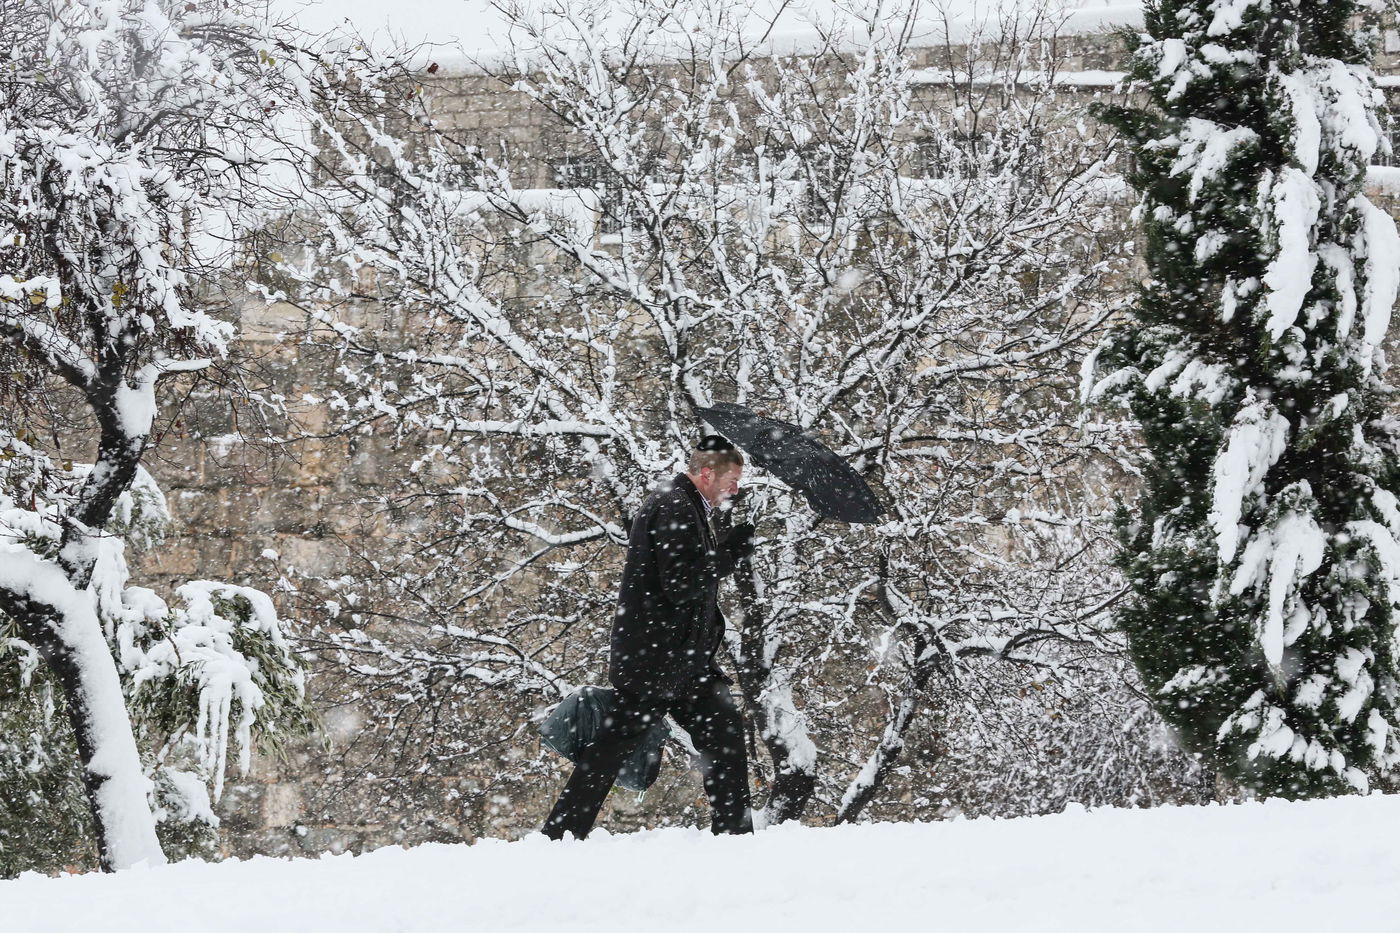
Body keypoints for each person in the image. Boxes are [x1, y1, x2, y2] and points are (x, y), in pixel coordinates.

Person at [541, 436, 757, 840]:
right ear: (706, 472)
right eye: (731, 479)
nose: (735, 489)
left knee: (722, 735)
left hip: (680, 661)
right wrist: (729, 554)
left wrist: (725, 546)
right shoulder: (674, 506)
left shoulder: (687, 506)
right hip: (658, 662)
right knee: (610, 748)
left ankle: (735, 835)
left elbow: (686, 574)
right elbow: (679, 583)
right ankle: (559, 835)